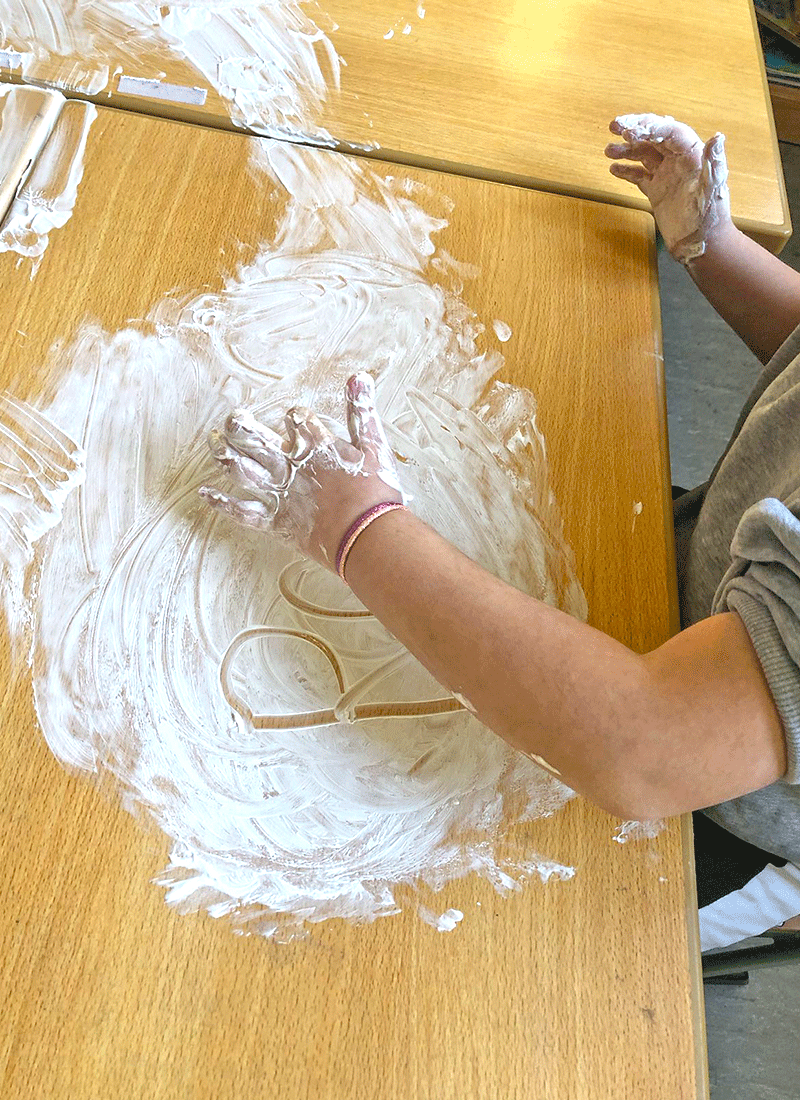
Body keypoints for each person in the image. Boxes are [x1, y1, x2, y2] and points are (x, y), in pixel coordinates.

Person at [201, 114, 800, 951]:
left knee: (507, 956)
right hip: (683, 581)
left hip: (696, 803)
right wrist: (713, 245)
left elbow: (642, 748)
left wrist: (354, 527)